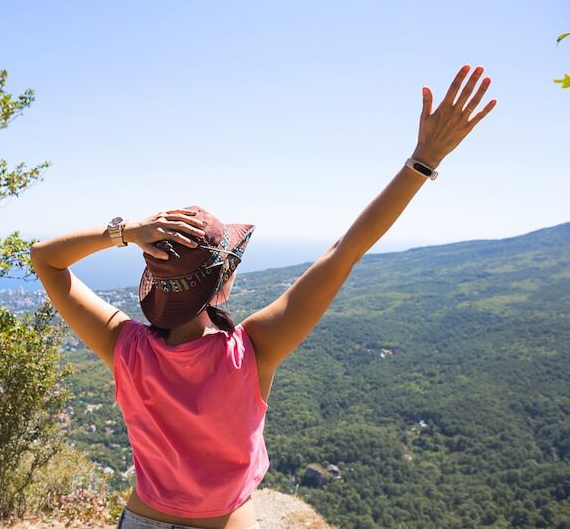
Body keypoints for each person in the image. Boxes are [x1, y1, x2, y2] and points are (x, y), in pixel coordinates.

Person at [30, 64, 496, 529]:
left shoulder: (124, 345)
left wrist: (127, 231)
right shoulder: (252, 350)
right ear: (223, 282)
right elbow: (345, 251)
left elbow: (46, 258)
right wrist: (423, 160)